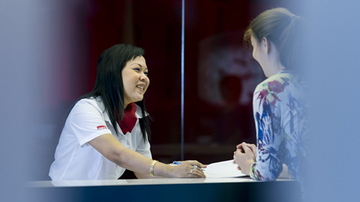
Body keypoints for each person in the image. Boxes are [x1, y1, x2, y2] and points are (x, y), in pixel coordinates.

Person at [49, 44, 206, 180]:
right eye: (137, 69)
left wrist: (183, 170)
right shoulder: (86, 108)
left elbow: (145, 173)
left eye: (146, 72)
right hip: (66, 195)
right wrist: (169, 170)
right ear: (113, 72)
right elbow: (117, 154)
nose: (144, 78)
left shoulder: (136, 116)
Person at [233, 7, 307, 188]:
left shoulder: (269, 90)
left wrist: (248, 164)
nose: (253, 54)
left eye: (253, 45)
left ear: (265, 44)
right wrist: (263, 157)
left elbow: (266, 173)